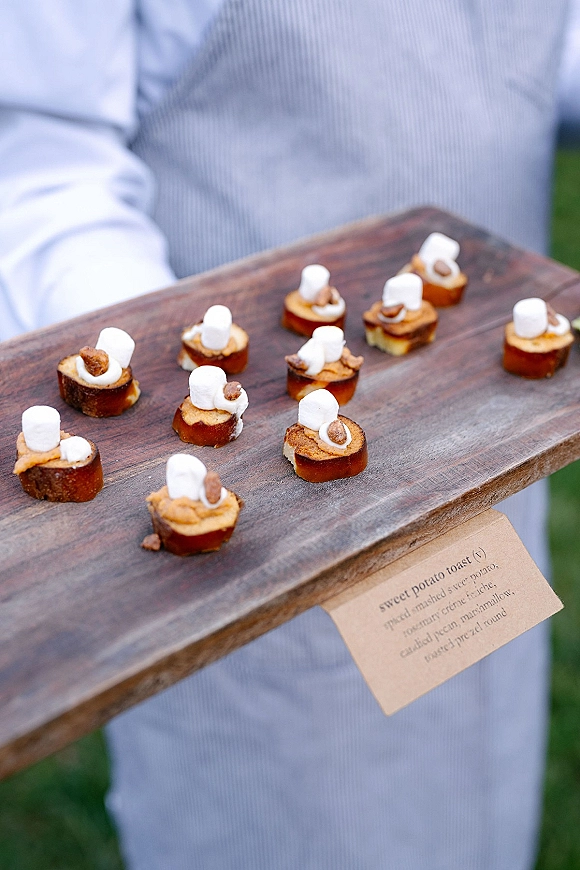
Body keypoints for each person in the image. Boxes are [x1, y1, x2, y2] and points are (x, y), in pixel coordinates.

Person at [0, 2, 569, 868]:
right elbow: (40, 144)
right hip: (265, 535)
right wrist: (166, 364)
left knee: (478, 789)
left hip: (487, 438)